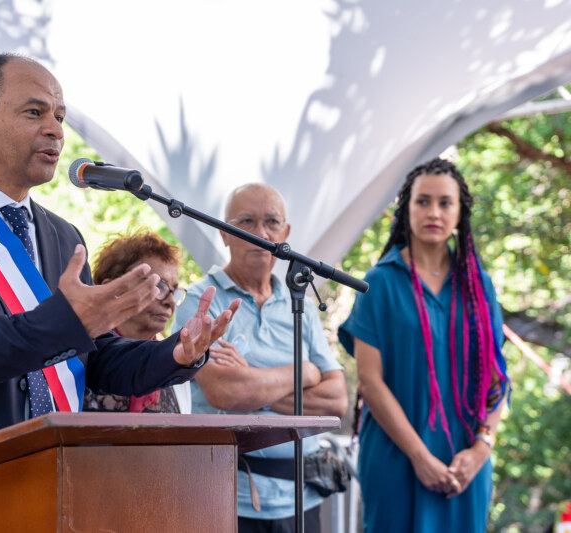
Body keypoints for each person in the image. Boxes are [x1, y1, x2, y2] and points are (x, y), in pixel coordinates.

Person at [0, 53, 240, 533]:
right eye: (35, 112)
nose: (56, 130)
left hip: (42, 491)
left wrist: (176, 354)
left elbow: (96, 359)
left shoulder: (63, 236)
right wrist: (64, 323)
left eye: (59, 116)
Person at [338, 157, 509, 533]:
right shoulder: (379, 282)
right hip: (396, 458)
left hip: (465, 465)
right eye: (423, 201)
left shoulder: (479, 286)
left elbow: (497, 380)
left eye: (445, 202)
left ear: (460, 212)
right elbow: (369, 382)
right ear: (406, 208)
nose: (434, 212)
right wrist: (419, 456)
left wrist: (481, 449)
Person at [172, 183, 348, 533]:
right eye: (247, 221)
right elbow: (224, 392)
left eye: (271, 222)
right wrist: (304, 373)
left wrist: (252, 381)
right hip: (226, 495)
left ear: (286, 233)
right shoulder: (201, 301)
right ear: (224, 233)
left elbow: (337, 400)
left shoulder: (300, 306)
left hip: (301, 498)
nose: (261, 234)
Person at [83, 228, 192, 413]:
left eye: (174, 290)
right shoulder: (80, 356)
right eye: (159, 285)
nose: (171, 301)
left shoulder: (175, 364)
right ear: (113, 288)